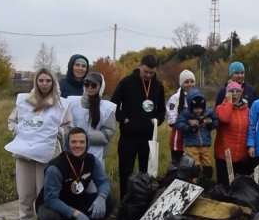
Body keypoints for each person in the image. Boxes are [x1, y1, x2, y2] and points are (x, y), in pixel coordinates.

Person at [6, 68, 69, 220]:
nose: (44, 84)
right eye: (41, 80)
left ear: (53, 82)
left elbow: (68, 126)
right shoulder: (25, 101)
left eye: (47, 80)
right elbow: (12, 121)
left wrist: (59, 132)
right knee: (25, 193)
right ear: (36, 82)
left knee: (44, 194)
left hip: (47, 155)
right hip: (25, 154)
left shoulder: (61, 105)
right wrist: (18, 130)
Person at [36, 128, 113, 220]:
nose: (78, 145)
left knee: (109, 200)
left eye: (82, 142)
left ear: (87, 144)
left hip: (77, 201)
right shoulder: (55, 167)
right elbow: (51, 199)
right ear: (67, 144)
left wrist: (101, 197)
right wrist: (76, 214)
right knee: (48, 216)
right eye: (74, 142)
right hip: (55, 205)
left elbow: (103, 182)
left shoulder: (91, 160)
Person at [110, 54, 166, 199]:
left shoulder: (158, 86)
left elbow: (162, 111)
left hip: (148, 139)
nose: (148, 75)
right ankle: (124, 202)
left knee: (146, 174)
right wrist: (123, 119)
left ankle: (143, 203)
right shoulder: (127, 82)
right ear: (140, 66)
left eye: (151, 73)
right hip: (128, 137)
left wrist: (156, 121)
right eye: (145, 71)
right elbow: (113, 104)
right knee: (126, 172)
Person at [64, 72, 117, 168]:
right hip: (73, 150)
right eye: (87, 84)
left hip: (96, 152)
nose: (89, 87)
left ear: (100, 87)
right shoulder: (71, 103)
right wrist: (75, 139)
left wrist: (85, 137)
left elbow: (108, 132)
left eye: (93, 85)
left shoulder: (107, 108)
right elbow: (65, 125)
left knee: (93, 180)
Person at [175, 89, 216, 185]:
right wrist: (189, 126)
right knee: (194, 165)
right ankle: (194, 183)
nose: (198, 111)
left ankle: (207, 181)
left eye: (200, 109)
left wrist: (210, 123)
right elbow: (179, 124)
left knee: (207, 164)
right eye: (196, 109)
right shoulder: (185, 114)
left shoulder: (208, 113)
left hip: (205, 144)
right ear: (190, 106)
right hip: (191, 145)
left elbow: (216, 121)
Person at [215, 82, 252, 186]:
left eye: (238, 91)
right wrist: (229, 102)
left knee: (238, 187)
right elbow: (225, 118)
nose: (235, 93)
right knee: (225, 187)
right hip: (225, 156)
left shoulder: (247, 110)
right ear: (227, 93)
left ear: (242, 93)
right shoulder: (220, 108)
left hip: (241, 156)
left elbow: (250, 130)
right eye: (232, 91)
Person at [166, 70, 196, 167]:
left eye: (192, 81)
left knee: (192, 163)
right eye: (186, 82)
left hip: (193, 135)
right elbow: (171, 116)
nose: (189, 84)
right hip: (178, 134)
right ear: (181, 83)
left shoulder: (197, 96)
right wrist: (185, 123)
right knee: (178, 163)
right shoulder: (175, 98)